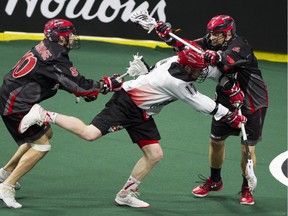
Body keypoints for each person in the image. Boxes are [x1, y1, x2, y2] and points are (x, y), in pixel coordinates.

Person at [19, 48, 247, 208]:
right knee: (89, 134)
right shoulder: (177, 82)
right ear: (187, 68)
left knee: (154, 154)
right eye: (196, 71)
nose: (199, 74)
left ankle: (125, 194)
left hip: (143, 111)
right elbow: (202, 104)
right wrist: (232, 116)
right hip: (126, 102)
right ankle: (44, 113)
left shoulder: (175, 61)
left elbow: (201, 70)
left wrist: (227, 82)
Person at [0, 19, 122, 208]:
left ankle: (6, 173)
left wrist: (85, 89)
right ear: (60, 36)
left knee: (45, 133)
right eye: (69, 34)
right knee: (41, 146)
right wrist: (104, 86)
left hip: (13, 96)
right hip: (16, 104)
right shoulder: (56, 56)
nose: (73, 37)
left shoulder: (46, 47)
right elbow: (80, 85)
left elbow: (56, 77)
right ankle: (6, 187)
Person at [155, 15, 268, 205]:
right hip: (226, 98)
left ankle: (246, 187)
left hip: (251, 102)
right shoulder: (211, 40)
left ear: (228, 32)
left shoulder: (241, 46)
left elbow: (228, 58)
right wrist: (168, 37)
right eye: (211, 34)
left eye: (217, 34)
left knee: (246, 150)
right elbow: (189, 46)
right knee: (216, 142)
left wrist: (216, 56)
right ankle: (215, 181)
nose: (212, 38)